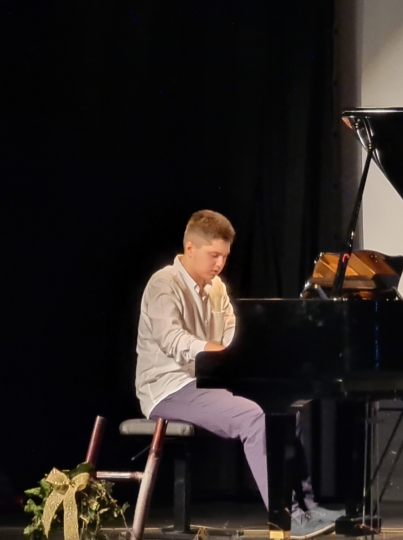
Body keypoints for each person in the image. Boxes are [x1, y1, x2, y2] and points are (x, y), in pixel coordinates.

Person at [134, 210, 343, 538]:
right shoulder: (164, 284)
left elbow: (234, 335)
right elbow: (173, 340)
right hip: (168, 389)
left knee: (284, 410)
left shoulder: (216, 288)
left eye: (225, 257)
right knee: (254, 418)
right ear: (190, 249)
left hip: (208, 383)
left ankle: (308, 507)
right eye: (213, 255)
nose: (219, 264)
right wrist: (219, 352)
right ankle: (287, 517)